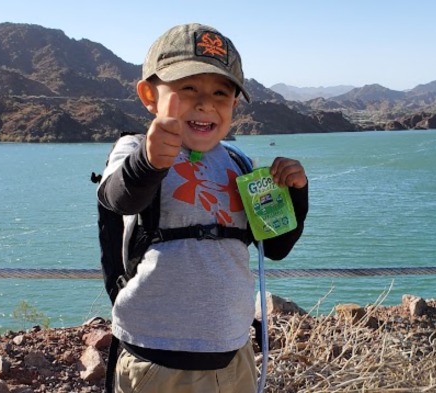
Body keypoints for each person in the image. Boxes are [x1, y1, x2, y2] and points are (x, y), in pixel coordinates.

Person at [97, 22, 308, 393]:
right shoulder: (134, 148)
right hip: (157, 357)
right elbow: (117, 197)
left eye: (221, 93)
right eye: (187, 87)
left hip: (234, 353)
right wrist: (149, 162)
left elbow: (275, 247)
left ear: (234, 104)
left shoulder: (241, 164)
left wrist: (297, 194)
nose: (205, 103)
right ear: (149, 94)